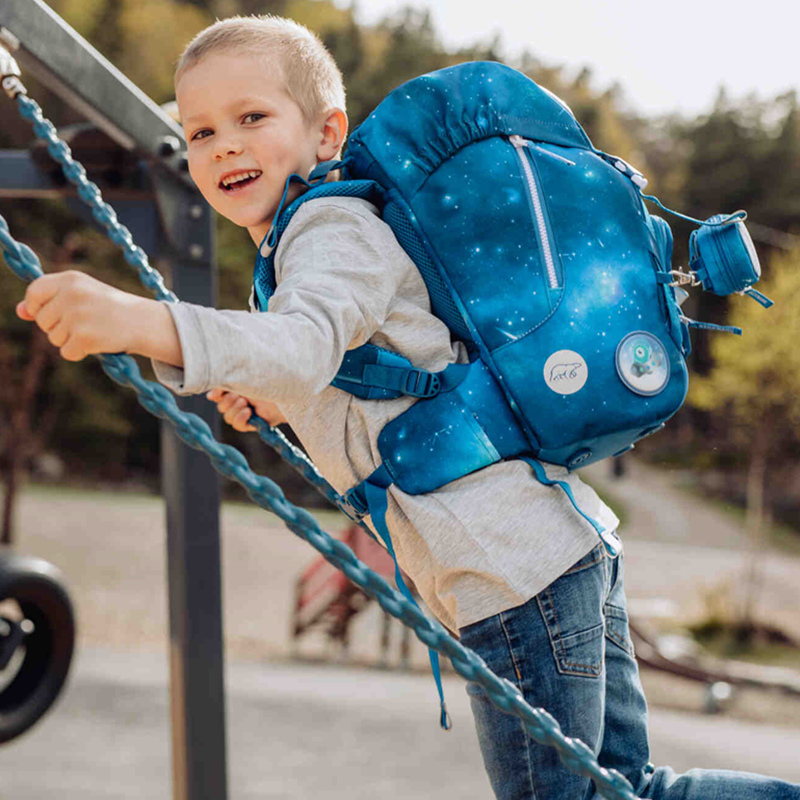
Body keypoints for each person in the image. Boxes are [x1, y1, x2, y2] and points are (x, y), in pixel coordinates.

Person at [14, 15, 799, 800]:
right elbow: (375, 373)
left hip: (511, 572)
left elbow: (302, 345)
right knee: (630, 791)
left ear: (327, 133)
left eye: (252, 117)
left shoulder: (327, 227)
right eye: (201, 130)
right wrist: (282, 404)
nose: (223, 144)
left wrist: (137, 320)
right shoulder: (315, 238)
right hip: (557, 549)